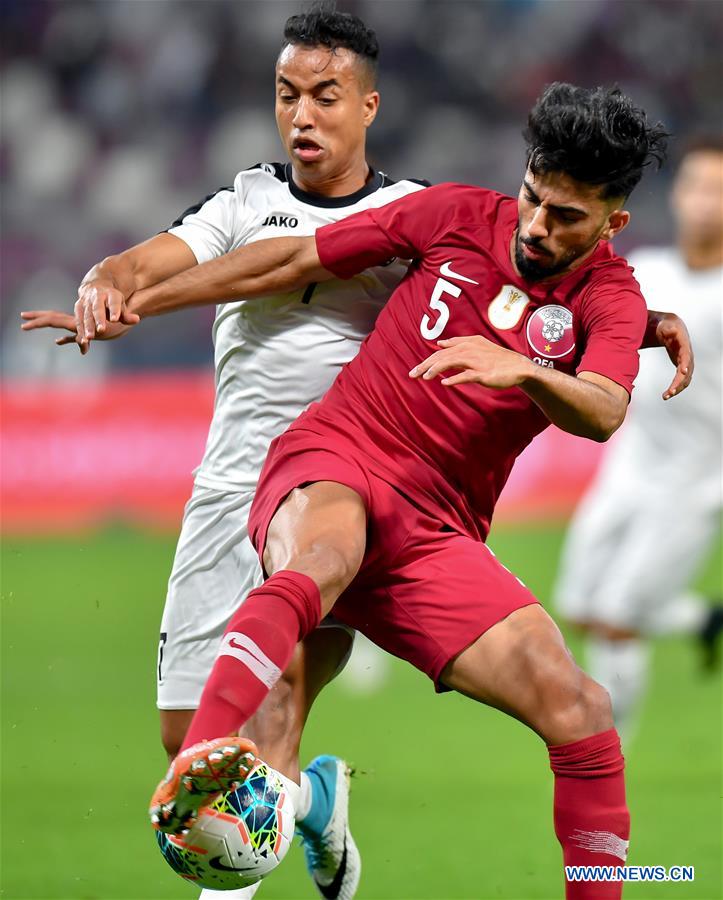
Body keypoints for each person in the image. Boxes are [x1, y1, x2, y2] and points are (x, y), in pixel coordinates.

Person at [75, 81, 676, 898]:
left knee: (580, 710)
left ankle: (326, 805)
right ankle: (197, 769)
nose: (535, 225)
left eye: (565, 217)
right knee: (319, 561)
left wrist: (523, 370)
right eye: (533, 197)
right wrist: (140, 298)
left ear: (613, 224)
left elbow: (605, 409)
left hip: (433, 535)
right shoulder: (460, 214)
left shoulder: (609, 298)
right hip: (336, 459)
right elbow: (296, 256)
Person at [22, 7, 431, 899]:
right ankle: (318, 802)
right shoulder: (244, 201)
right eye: (286, 95)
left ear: (368, 104)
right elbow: (145, 263)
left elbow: (510, 288)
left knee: (258, 735)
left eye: (325, 96)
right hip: (227, 491)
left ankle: (233, 875)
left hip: (336, 495)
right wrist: (103, 283)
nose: (302, 116)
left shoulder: (411, 218)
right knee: (189, 739)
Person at [552, 135, 723, 742]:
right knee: (578, 606)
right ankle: (706, 617)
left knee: (620, 617)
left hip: (695, 483)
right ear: (678, 196)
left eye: (718, 191)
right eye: (698, 187)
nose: (706, 202)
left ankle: (607, 749)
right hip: (628, 467)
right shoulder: (647, 272)